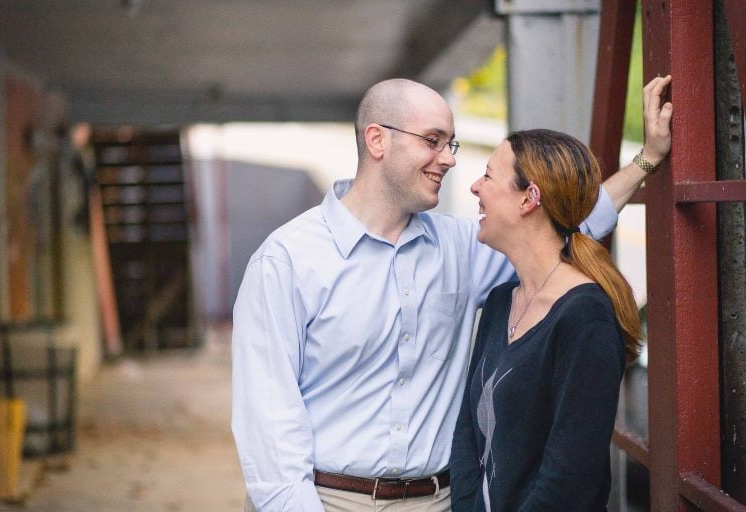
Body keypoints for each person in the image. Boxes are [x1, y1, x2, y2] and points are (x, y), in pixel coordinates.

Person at [231, 76, 672, 511]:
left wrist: (648, 159)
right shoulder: (287, 260)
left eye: (451, 144)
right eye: (433, 140)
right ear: (377, 140)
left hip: (440, 502)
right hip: (327, 500)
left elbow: (561, 223)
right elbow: (269, 424)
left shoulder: (464, 247)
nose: (449, 159)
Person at [449, 128, 650, 511]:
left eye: (489, 175)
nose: (476, 187)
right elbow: (467, 434)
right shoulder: (498, 303)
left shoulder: (585, 316)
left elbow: (570, 477)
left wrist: (648, 159)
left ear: (530, 198)